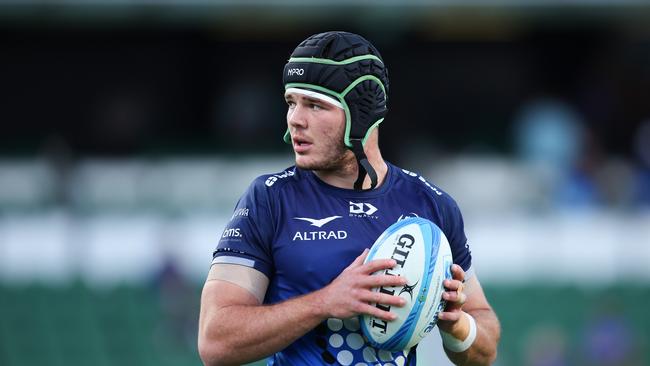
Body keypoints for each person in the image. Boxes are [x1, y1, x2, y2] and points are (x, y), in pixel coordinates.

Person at [198, 31, 500, 366]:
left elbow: (484, 352)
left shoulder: (432, 205)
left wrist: (456, 324)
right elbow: (215, 341)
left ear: (362, 113)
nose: (296, 119)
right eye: (291, 102)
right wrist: (325, 302)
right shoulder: (269, 200)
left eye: (315, 105)